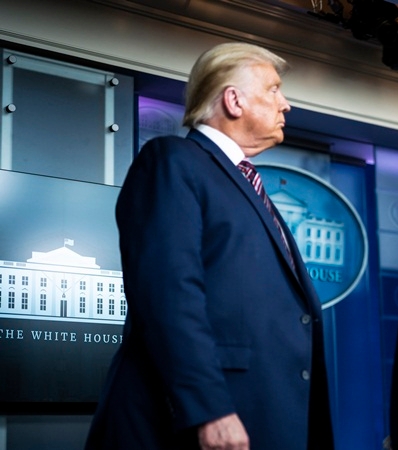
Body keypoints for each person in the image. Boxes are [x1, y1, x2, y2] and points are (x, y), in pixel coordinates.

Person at [85, 42, 334, 450]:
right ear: (233, 100)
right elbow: (168, 293)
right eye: (273, 89)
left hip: (266, 416)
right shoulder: (172, 160)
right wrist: (208, 409)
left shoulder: (252, 188)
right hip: (195, 422)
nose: (285, 104)